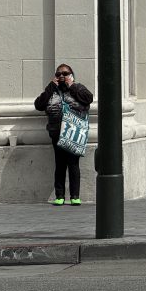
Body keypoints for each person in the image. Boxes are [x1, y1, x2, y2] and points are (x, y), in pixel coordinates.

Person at [34, 63, 93, 205]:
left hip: (74, 132)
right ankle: (59, 196)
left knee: (73, 164)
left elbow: (88, 98)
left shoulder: (78, 88)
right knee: (59, 164)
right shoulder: (52, 91)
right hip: (57, 132)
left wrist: (72, 85)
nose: (61, 76)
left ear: (71, 75)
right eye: (58, 74)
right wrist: (50, 87)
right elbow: (39, 105)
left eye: (65, 73)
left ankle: (74, 196)